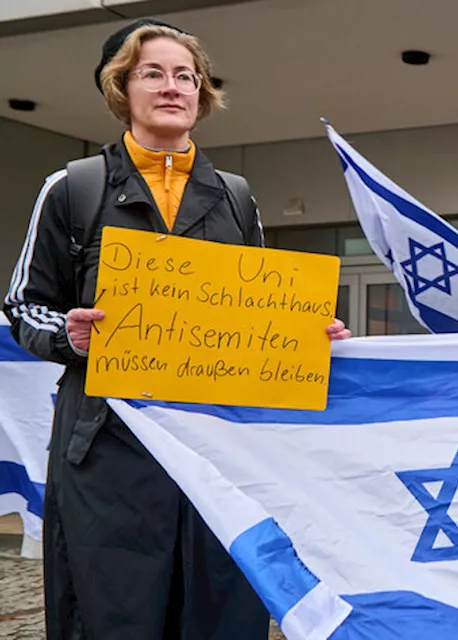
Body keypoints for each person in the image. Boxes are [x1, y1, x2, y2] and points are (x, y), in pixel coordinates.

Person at [3, 19, 350, 639]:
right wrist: (67, 336)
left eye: (186, 76)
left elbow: (259, 319)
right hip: (108, 449)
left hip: (215, 450)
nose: (173, 87)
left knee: (220, 613)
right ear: (121, 89)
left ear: (201, 95)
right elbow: (25, 307)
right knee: (115, 616)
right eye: (153, 73)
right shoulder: (73, 188)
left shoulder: (237, 198)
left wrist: (307, 335)